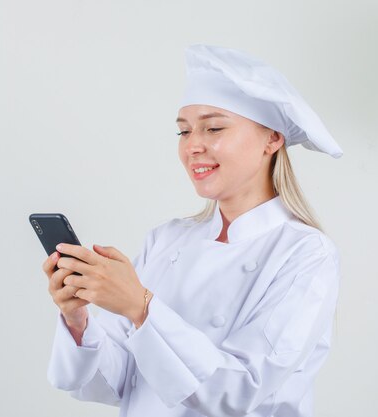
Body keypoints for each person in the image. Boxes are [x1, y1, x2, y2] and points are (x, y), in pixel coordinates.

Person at [41, 44, 343, 417]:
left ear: (272, 138)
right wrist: (78, 318)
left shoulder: (305, 253)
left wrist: (141, 306)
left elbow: (237, 392)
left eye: (213, 127)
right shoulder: (166, 239)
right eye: (183, 132)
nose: (193, 146)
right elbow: (116, 384)